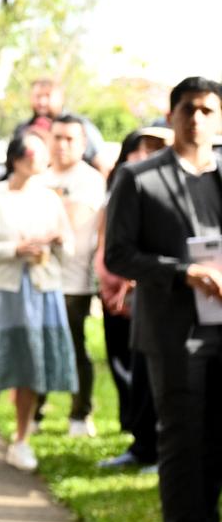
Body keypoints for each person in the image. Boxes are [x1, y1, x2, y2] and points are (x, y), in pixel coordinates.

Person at [105, 77, 222, 522]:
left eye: (207, 110)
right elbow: (118, 256)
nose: (197, 119)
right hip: (175, 334)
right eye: (188, 109)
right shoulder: (139, 179)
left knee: (216, 445)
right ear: (171, 115)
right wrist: (182, 271)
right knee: (181, 445)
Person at [0, 132, 77, 474]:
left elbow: (69, 247)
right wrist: (13, 250)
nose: (43, 157)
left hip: (40, 291)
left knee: (30, 368)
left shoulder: (49, 199)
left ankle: (21, 441)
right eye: (36, 151)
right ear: (19, 158)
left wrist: (56, 241)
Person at [95, 127, 170, 472]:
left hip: (174, 297)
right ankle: (142, 447)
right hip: (141, 295)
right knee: (137, 371)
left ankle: (160, 450)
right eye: (144, 147)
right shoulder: (129, 184)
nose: (149, 154)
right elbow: (112, 245)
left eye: (158, 147)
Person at [42, 114, 108, 438]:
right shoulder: (40, 176)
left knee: (74, 347)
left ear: (83, 144)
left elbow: (70, 218)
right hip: (39, 278)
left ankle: (80, 415)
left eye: (71, 138)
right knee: (38, 346)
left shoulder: (90, 179)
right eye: (57, 137)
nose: (63, 144)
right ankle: (35, 411)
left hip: (74, 280)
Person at [13, 78, 110, 174]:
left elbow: (102, 164)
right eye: (37, 96)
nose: (42, 102)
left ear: (61, 98)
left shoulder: (77, 126)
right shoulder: (23, 128)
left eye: (48, 96)